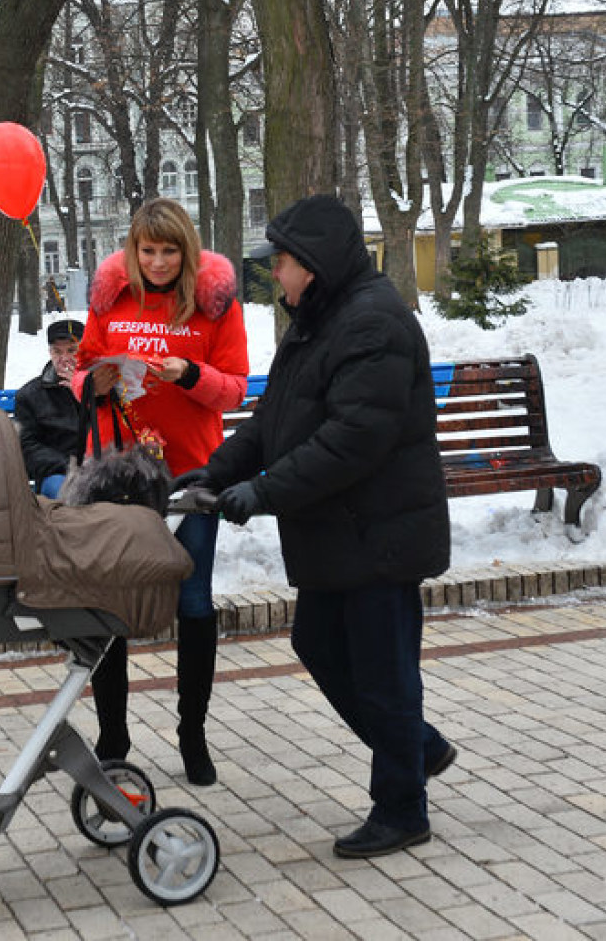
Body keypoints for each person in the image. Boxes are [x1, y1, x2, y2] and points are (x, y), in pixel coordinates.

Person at [177, 194, 456, 857]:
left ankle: (401, 806)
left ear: (317, 262)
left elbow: (353, 440)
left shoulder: (373, 324)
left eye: (282, 260)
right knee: (321, 644)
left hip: (379, 532)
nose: (275, 272)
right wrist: (213, 473)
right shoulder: (318, 321)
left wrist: (264, 492)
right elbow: (274, 421)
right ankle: (417, 747)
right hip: (340, 534)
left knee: (384, 673)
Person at [75, 197, 248, 786]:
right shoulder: (111, 298)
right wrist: (92, 378)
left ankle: (192, 733)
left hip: (192, 471)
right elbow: (82, 371)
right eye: (147, 251)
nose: (157, 263)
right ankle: (113, 736)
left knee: (193, 602)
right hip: (122, 472)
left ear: (188, 251)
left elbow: (234, 390)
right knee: (114, 604)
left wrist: (188, 374)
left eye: (169, 251)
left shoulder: (213, 305)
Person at [15, 318, 86, 498]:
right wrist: (67, 465)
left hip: (100, 468)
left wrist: (83, 395)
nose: (64, 359)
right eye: (57, 351)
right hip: (58, 472)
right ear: (50, 353)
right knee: (68, 493)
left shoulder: (102, 390)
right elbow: (27, 448)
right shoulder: (30, 395)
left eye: (72, 350)